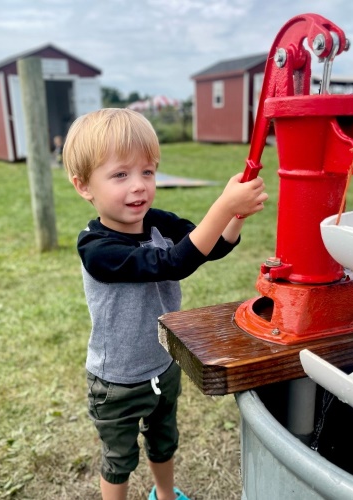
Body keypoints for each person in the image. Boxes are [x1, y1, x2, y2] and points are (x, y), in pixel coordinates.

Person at [62, 108, 267, 500]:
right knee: (119, 460)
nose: (139, 186)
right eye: (120, 174)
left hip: (162, 364)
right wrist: (222, 206)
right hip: (116, 381)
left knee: (164, 442)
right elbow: (174, 262)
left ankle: (165, 495)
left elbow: (206, 247)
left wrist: (235, 216)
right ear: (84, 186)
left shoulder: (159, 221)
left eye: (148, 172)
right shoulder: (96, 247)